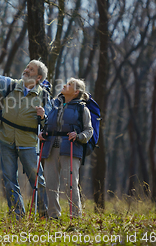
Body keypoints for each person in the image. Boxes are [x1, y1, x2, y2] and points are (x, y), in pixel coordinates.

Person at [0, 39, 48, 219]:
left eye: (31, 69)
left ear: (39, 77)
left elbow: (48, 122)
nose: (26, 70)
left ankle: (43, 215)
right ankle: (17, 215)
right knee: (9, 179)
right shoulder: (11, 85)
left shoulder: (44, 96)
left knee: (37, 180)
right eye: (27, 67)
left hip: (27, 142)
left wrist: (43, 116)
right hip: (6, 138)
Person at [38, 78, 93, 219]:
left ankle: (75, 217)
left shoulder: (82, 109)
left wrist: (79, 136)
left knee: (70, 184)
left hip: (70, 149)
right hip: (50, 148)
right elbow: (46, 122)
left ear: (76, 92)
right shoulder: (53, 105)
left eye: (69, 85)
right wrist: (42, 133)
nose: (64, 85)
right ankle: (53, 216)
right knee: (50, 184)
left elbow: (89, 131)